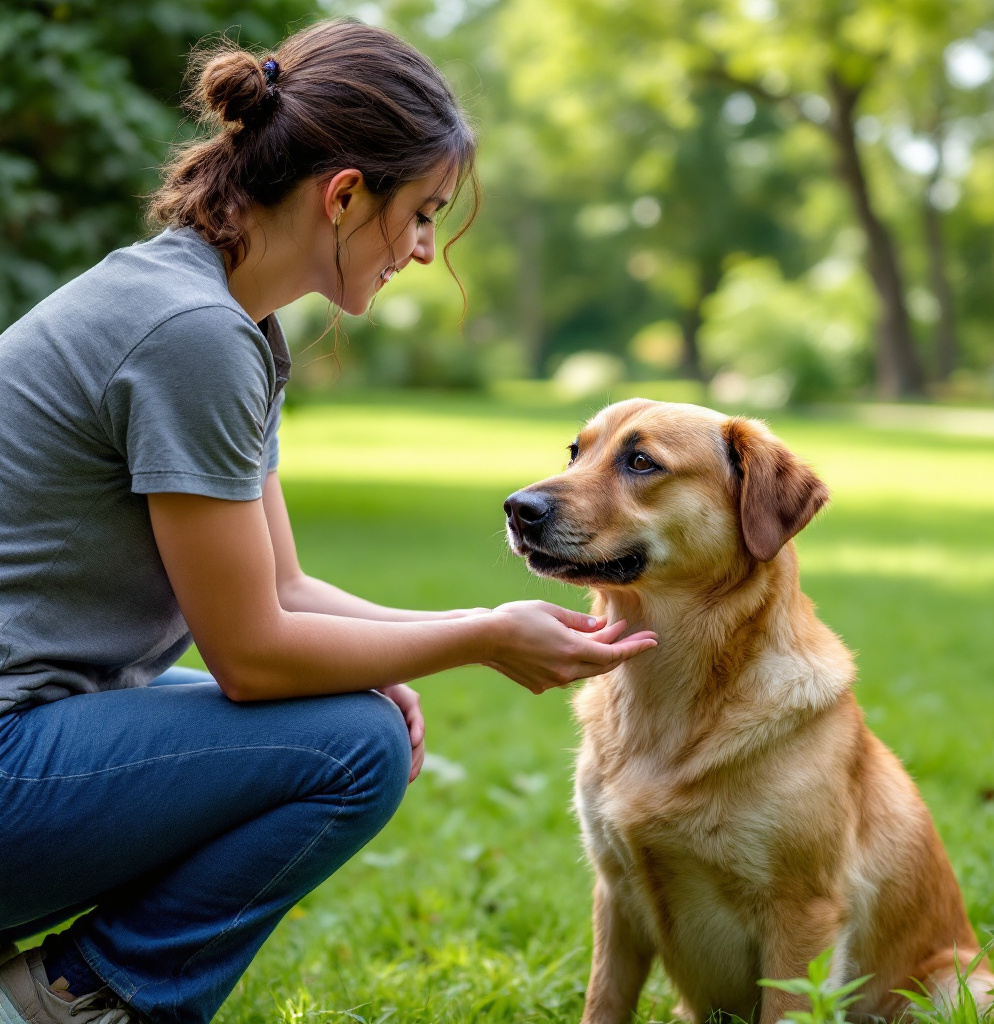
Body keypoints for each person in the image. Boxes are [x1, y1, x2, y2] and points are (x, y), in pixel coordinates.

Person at [0, 19, 658, 1024]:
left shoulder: (227, 321)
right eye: (422, 213)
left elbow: (287, 588)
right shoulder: (194, 336)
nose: (425, 249)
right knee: (349, 742)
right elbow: (254, 658)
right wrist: (478, 639)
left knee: (361, 712)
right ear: (344, 193)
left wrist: (401, 649)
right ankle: (69, 1001)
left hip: (27, 740)